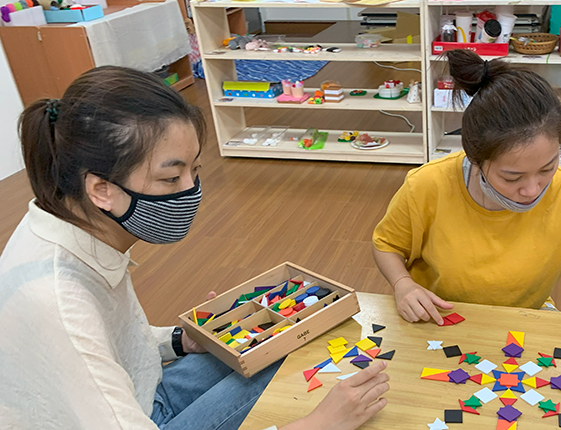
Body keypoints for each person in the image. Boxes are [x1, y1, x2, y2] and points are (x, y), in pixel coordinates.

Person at [0, 66, 389, 430]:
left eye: (195, 170)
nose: (191, 191)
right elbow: (83, 343)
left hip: (142, 390)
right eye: (171, 178)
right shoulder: (59, 301)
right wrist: (315, 425)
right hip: (140, 417)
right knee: (287, 368)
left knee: (286, 338)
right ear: (101, 189)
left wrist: (178, 341)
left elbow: (111, 342)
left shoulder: (69, 221)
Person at [372, 49, 561, 396]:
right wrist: (402, 285)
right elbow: (386, 245)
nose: (531, 190)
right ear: (476, 158)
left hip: (525, 328)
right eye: (512, 176)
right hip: (437, 323)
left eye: (547, 168)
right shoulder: (428, 185)